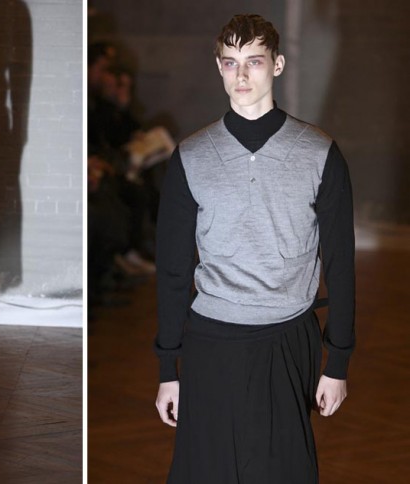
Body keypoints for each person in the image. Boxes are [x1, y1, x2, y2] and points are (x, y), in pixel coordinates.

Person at [154, 14, 354, 483]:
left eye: (254, 61)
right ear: (218, 68)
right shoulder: (191, 156)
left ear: (277, 65)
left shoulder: (319, 152)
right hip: (211, 340)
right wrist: (167, 369)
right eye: (230, 62)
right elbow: (173, 271)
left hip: (287, 338)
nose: (241, 75)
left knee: (282, 471)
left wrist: (338, 363)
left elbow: (341, 264)